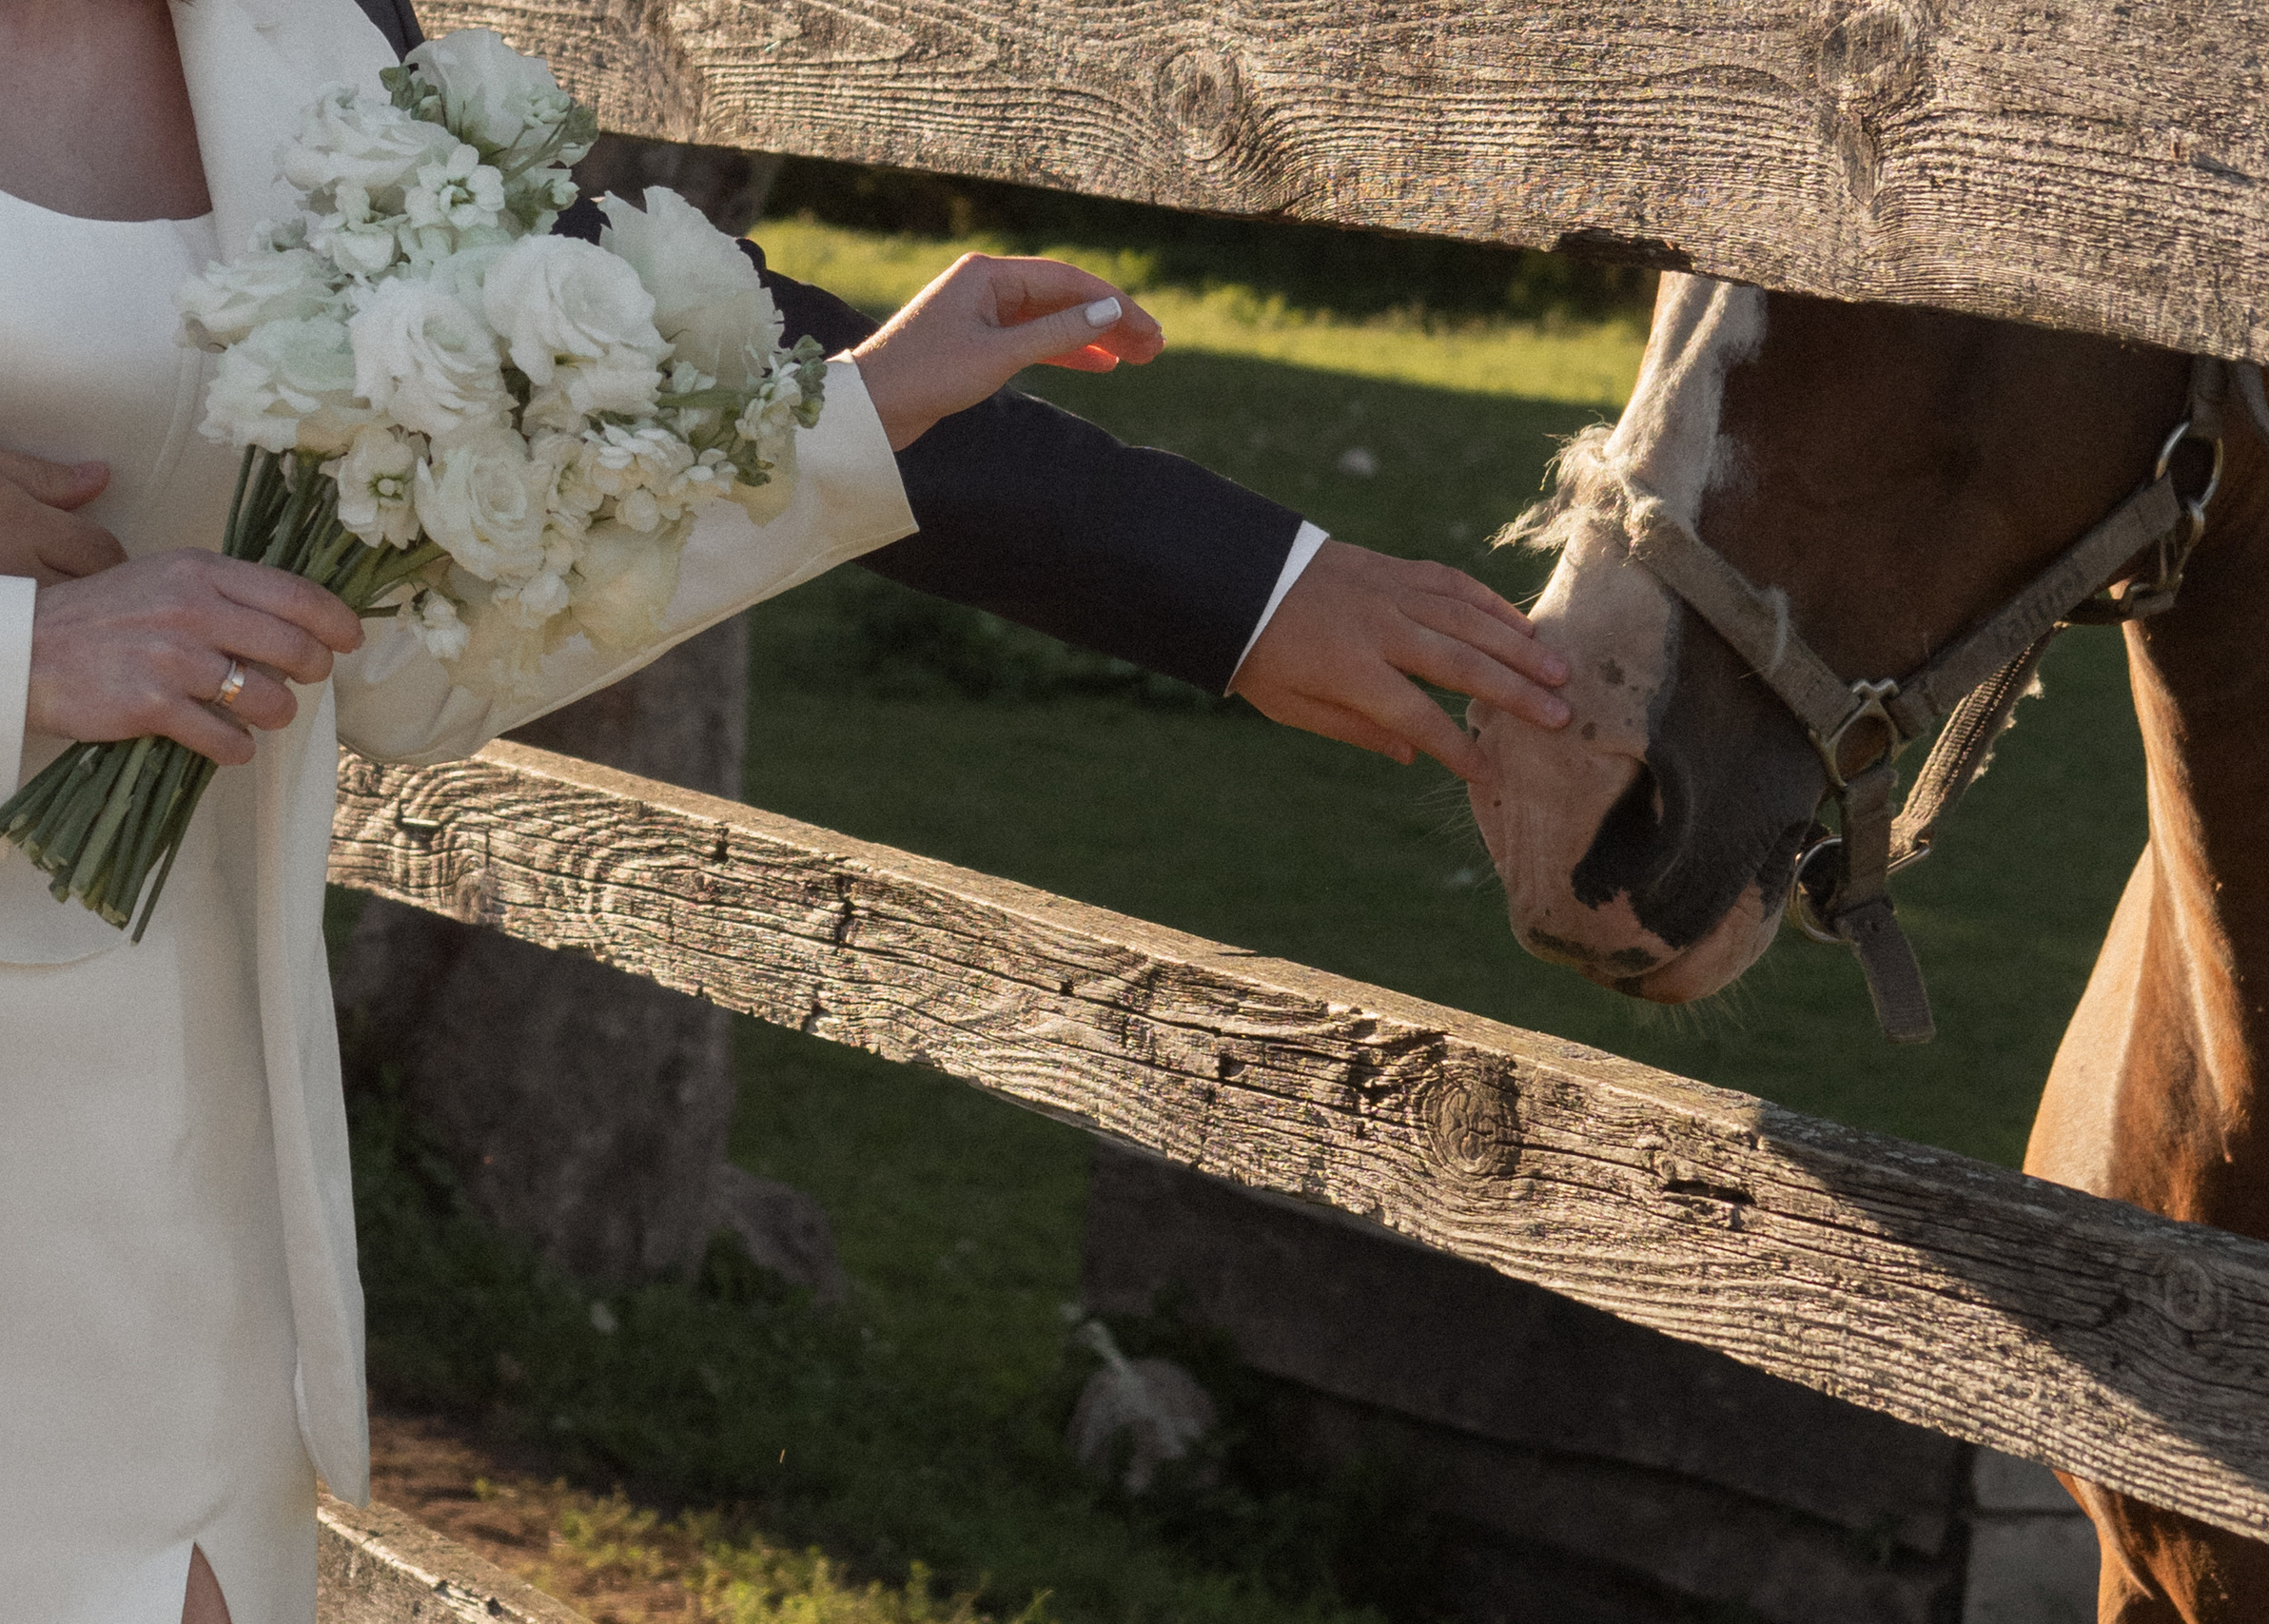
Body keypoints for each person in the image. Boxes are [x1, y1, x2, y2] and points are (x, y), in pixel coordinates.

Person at [0, 1, 1570, 1621]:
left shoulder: (301, 34)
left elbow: (405, 652)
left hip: (178, 1129)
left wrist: (877, 415)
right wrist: (27, 657)